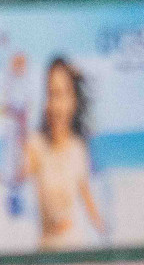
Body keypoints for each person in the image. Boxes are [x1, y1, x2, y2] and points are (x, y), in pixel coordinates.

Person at [23, 58, 107, 251]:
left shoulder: (78, 149)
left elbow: (87, 198)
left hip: (75, 251)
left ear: (73, 101)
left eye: (63, 94)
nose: (56, 104)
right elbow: (18, 175)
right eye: (52, 94)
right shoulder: (35, 145)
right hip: (45, 252)